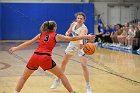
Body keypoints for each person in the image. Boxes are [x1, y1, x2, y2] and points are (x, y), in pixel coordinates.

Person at [9, 20, 94, 93]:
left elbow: (29, 42)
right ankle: (72, 92)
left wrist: (16, 48)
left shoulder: (41, 34)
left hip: (35, 56)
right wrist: (87, 36)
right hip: (45, 58)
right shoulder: (56, 36)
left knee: (24, 77)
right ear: (54, 28)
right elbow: (73, 39)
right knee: (61, 75)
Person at [50, 12, 93, 93]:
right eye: (78, 18)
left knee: (84, 66)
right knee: (63, 63)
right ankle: (58, 79)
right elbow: (68, 31)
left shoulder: (84, 28)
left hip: (81, 46)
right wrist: (67, 34)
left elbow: (81, 37)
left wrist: (80, 43)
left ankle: (88, 86)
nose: (79, 19)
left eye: (81, 18)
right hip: (72, 44)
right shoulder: (73, 24)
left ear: (84, 20)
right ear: (76, 19)